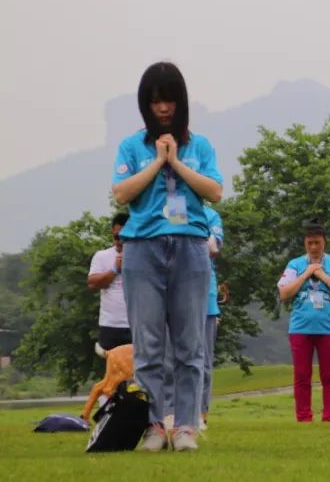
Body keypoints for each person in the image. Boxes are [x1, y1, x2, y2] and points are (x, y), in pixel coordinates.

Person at [112, 62, 223, 452]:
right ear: (146, 104)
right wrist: (158, 162)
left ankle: (187, 427)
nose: (163, 109)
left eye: (169, 100)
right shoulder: (131, 146)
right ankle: (155, 425)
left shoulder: (200, 146)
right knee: (149, 345)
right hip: (143, 249)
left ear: (181, 102)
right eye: (155, 101)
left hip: (190, 249)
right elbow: (122, 194)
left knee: (191, 345)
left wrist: (176, 162)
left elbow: (214, 192)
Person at [277, 219, 330, 423]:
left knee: (329, 375)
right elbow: (284, 293)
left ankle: (329, 417)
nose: (313, 247)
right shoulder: (295, 265)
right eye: (309, 243)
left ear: (324, 242)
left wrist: (322, 275)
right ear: (304, 243)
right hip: (300, 327)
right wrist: (306, 274)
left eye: (317, 242)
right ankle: (304, 418)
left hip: (329, 327)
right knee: (302, 376)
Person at [87, 213, 132, 350]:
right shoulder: (102, 256)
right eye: (117, 237)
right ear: (112, 233)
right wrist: (114, 270)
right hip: (110, 325)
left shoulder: (144, 256)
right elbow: (92, 284)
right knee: (112, 367)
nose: (120, 241)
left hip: (136, 323)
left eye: (125, 237)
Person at [200, 205, 225, 431]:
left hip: (205, 299)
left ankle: (201, 414)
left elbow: (213, 247)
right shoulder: (175, 207)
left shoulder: (210, 215)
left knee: (204, 362)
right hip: (175, 294)